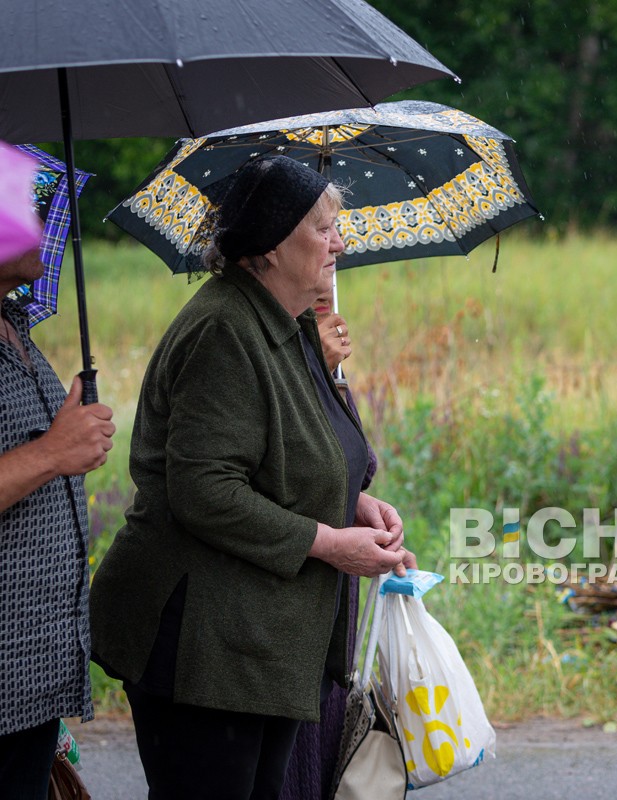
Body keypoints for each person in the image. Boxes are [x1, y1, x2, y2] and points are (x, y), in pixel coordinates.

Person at [88, 156, 416, 800]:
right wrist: (328, 541)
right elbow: (204, 490)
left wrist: (351, 501)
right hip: (204, 646)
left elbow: (286, 453)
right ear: (269, 243)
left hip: (257, 645)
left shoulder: (284, 326)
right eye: (322, 228)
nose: (340, 243)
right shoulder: (224, 331)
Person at [0, 240, 116, 795]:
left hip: (32, 674)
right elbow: (43, 454)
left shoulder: (14, 325)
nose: (37, 224)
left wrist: (70, 448)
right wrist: (52, 452)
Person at [280, 293, 378, 800]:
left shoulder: (317, 351)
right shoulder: (264, 347)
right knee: (289, 768)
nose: (329, 274)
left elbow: (345, 465)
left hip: (330, 599)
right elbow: (280, 470)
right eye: (319, 239)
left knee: (323, 750)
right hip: (287, 592)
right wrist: (312, 367)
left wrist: (361, 502)